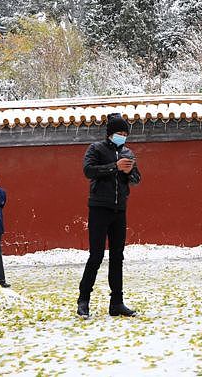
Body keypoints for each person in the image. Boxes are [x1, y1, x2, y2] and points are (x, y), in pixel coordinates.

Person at [77, 113, 141, 318]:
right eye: (119, 133)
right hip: (99, 207)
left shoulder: (128, 152)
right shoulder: (96, 148)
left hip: (119, 209)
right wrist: (114, 167)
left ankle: (117, 303)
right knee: (96, 255)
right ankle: (83, 300)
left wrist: (129, 172)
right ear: (110, 133)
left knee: (117, 257)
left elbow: (137, 178)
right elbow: (88, 171)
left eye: (125, 133)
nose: (122, 136)